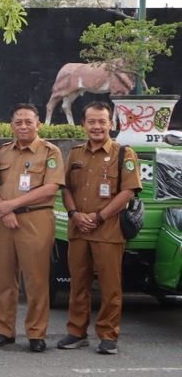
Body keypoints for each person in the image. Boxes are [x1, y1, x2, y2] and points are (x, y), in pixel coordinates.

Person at [59, 101, 140, 355]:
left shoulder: (124, 154)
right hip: (79, 230)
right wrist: (74, 214)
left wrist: (99, 216)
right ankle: (76, 332)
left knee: (109, 286)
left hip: (107, 231)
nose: (96, 126)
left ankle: (108, 335)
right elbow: (66, 189)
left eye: (102, 121)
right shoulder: (74, 154)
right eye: (91, 121)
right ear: (83, 124)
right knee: (78, 284)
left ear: (111, 124)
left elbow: (127, 192)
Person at [0, 104, 65, 353]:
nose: (23, 126)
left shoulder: (50, 152)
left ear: (38, 125)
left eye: (28, 122)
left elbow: (51, 188)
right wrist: (3, 208)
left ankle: (36, 333)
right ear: (11, 125)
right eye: (18, 121)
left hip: (35, 220)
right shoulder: (3, 152)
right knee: (5, 279)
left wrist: (12, 205)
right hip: (4, 221)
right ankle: (4, 330)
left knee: (36, 280)